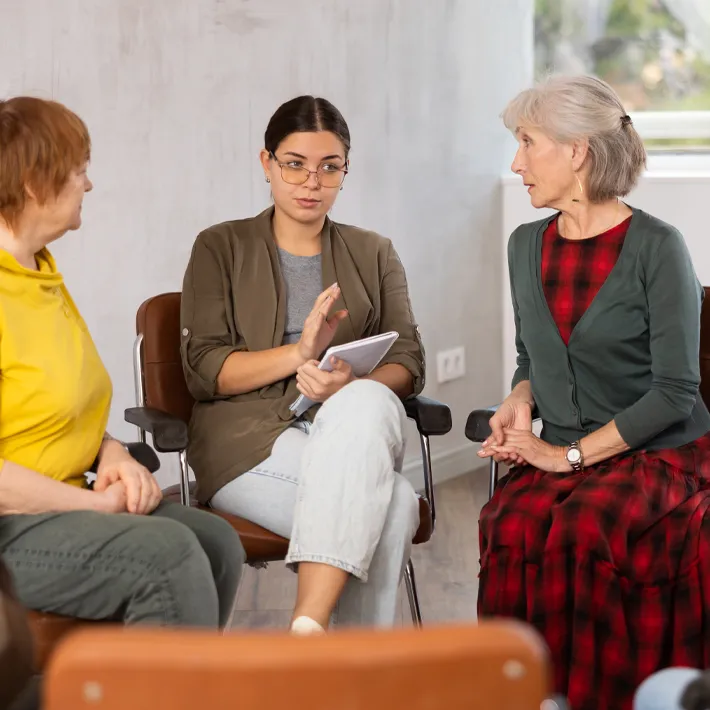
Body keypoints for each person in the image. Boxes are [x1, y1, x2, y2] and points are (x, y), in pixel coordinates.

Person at [476, 75, 710, 710]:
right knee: (510, 523)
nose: (516, 163)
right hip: (569, 441)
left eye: (527, 143)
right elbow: (534, 355)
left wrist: (565, 457)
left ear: (577, 150)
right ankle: (528, 693)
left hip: (657, 450)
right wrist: (520, 399)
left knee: (585, 527)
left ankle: (595, 695)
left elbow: (675, 393)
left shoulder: (657, 247)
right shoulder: (525, 246)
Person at [180, 95, 425, 634]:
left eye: (329, 167)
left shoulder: (374, 251)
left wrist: (346, 384)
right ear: (266, 164)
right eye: (294, 164)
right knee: (394, 507)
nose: (311, 182)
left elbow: (409, 357)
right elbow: (204, 368)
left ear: (345, 171)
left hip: (351, 432)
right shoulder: (220, 246)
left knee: (363, 397)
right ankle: (350, 674)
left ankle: (309, 642)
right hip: (246, 439)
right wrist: (299, 355)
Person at [0, 96, 245, 631]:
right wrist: (88, 506)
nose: (88, 185)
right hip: (11, 526)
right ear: (35, 186)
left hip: (61, 498)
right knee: (169, 556)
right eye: (79, 171)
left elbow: (55, 412)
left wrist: (112, 452)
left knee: (218, 543)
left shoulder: (38, 276)